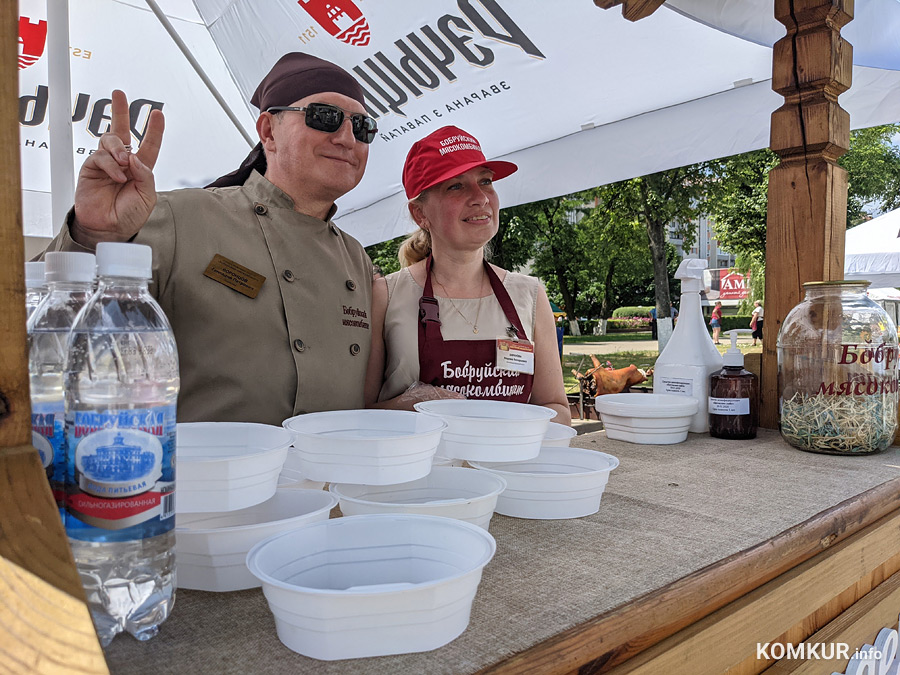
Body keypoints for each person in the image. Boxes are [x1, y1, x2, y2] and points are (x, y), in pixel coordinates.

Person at [41, 53, 376, 425]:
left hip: (333, 478)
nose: (347, 138)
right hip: (201, 480)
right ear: (268, 131)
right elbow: (43, 326)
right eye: (325, 117)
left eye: (362, 128)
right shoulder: (178, 218)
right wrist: (93, 234)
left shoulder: (355, 257)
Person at [364, 126, 571, 424]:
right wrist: (406, 407)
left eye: (485, 181)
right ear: (420, 214)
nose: (481, 198)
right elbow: (358, 414)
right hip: (422, 469)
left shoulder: (529, 295)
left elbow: (557, 409)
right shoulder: (386, 295)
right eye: (456, 186)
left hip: (509, 467)